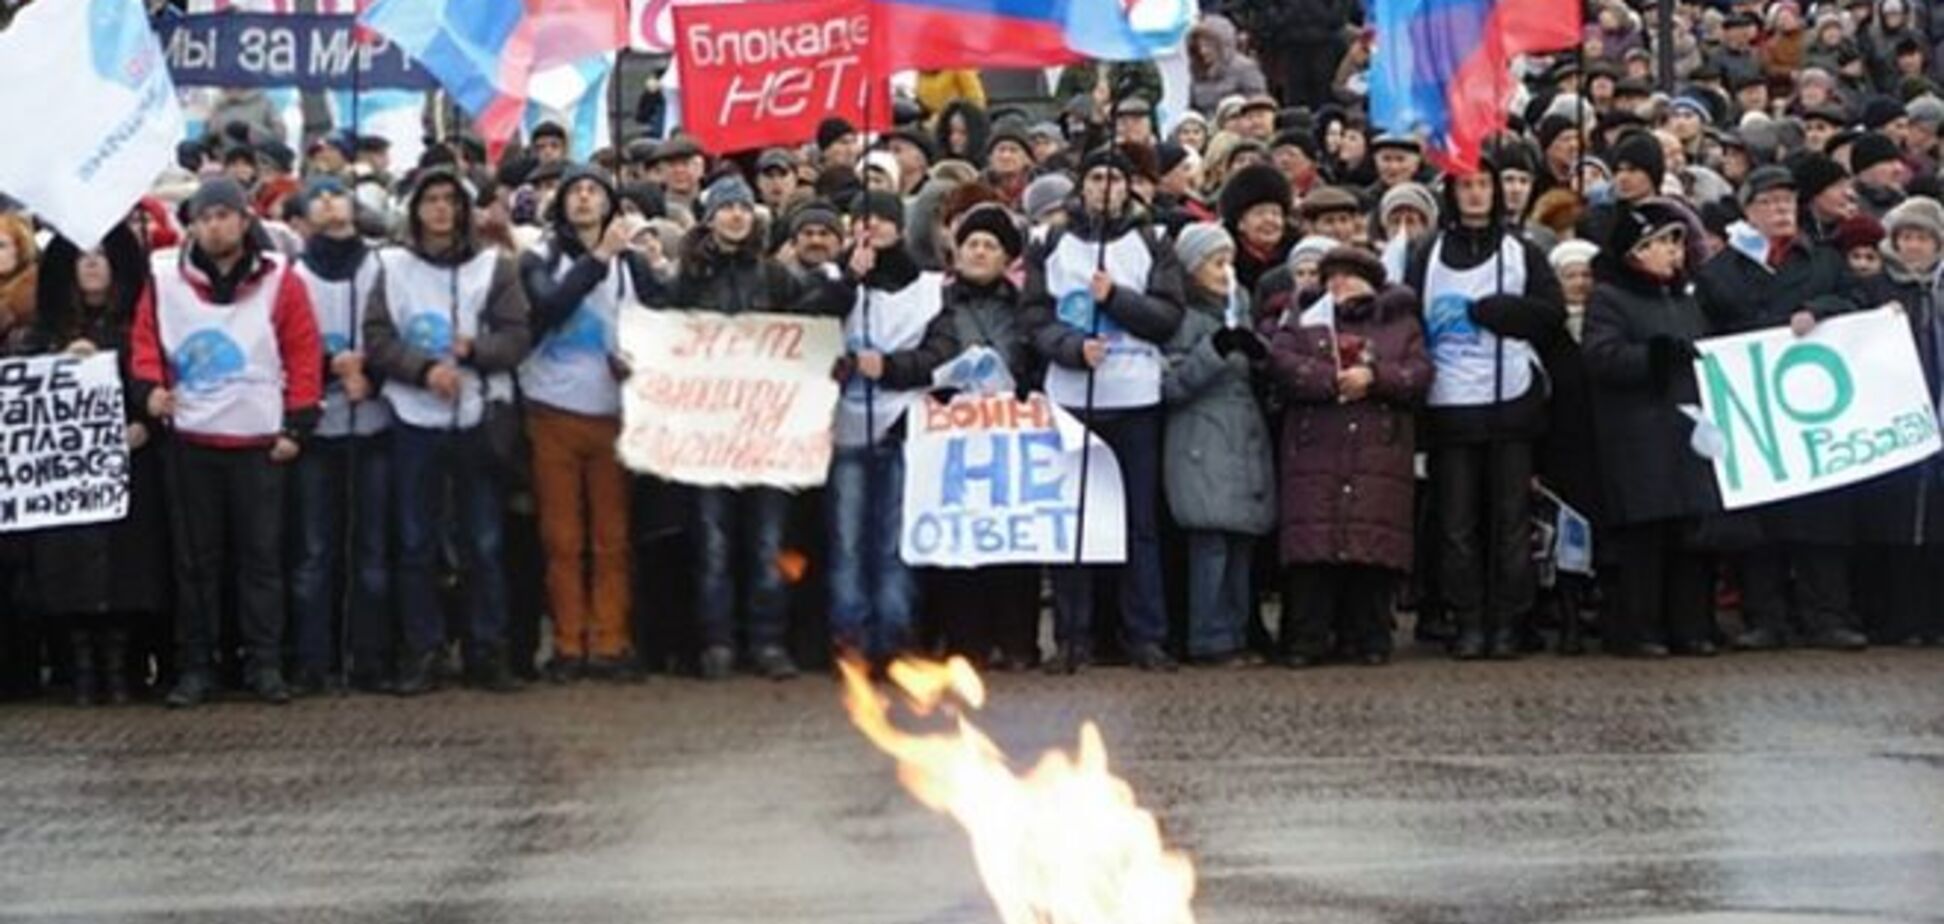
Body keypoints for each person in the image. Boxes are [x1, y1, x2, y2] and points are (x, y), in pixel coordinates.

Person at [130, 178, 325, 708]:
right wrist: (149, 391)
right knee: (196, 563)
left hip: (258, 442)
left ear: (244, 220)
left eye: (224, 215)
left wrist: (297, 426)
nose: (214, 225)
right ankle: (198, 664)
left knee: (262, 561)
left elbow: (302, 351)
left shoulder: (281, 279)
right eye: (204, 217)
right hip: (191, 439)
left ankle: (264, 662)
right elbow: (145, 344)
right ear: (192, 224)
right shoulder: (164, 276)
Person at [649, 175, 838, 680]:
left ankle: (767, 642)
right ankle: (717, 642)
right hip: (709, 435)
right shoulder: (684, 278)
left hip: (765, 435)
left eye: (742, 208)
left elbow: (811, 319)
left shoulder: (774, 277)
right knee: (712, 542)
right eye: (726, 208)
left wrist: (845, 282)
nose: (736, 216)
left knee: (767, 540)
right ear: (710, 217)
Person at [364, 168, 534, 695]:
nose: (439, 210)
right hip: (416, 418)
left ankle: (486, 648)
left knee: (482, 541)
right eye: (430, 200)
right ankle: (424, 648)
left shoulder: (495, 267)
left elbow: (517, 336)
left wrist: (474, 352)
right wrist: (422, 370)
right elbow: (377, 336)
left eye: (449, 201)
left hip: (477, 420)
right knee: (416, 541)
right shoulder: (390, 266)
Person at [1695, 165, 1869, 651]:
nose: (1780, 212)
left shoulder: (1824, 262)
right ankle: (1765, 617)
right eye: (1769, 204)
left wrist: (1821, 313)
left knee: (1822, 516)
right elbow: (1706, 333)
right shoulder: (1719, 271)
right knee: (1761, 525)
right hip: (1756, 416)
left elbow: (1858, 300)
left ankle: (1827, 615)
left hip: (1814, 412)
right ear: (1749, 212)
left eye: (1787, 203)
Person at [1026, 148, 1186, 672]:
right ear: (1081, 187)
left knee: (1139, 523)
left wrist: (1115, 298)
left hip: (1135, 397)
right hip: (1072, 399)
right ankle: (1074, 635)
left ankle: (1144, 635)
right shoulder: (1051, 242)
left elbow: (1167, 317)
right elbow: (1035, 316)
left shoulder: (1152, 241)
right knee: (1074, 520)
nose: (1104, 187)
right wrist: (1072, 348)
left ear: (1128, 188)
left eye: (1114, 179)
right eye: (1094, 178)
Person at [1405, 163, 1566, 660]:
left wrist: (1505, 313)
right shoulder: (1427, 252)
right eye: (1466, 187)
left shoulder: (1523, 252)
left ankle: (1508, 620)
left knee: (1510, 521)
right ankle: (1468, 617)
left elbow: (1551, 315)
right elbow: (1409, 316)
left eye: (1483, 186)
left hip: (1509, 402)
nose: (1475, 195)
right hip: (1450, 406)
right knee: (1456, 523)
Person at [519, 166, 655, 683]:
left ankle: (611, 639)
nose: (583, 199)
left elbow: (663, 320)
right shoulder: (542, 257)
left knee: (612, 536)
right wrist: (598, 259)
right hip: (551, 411)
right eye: (574, 191)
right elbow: (548, 307)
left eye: (594, 191)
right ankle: (570, 641)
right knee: (562, 536)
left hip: (614, 414)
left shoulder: (632, 265)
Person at [1269, 246, 1431, 666]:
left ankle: (1368, 637)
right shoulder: (1303, 316)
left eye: (1350, 276)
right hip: (1315, 447)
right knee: (1313, 548)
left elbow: (1419, 373)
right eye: (1332, 276)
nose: (1339, 284)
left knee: (1371, 546)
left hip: (1378, 449)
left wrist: (1375, 378)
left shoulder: (1400, 322)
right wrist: (1331, 381)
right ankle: (1306, 638)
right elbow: (1282, 362)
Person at [26, 228, 169, 705]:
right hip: (67, 479)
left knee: (130, 564)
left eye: (103, 257)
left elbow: (158, 381)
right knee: (67, 567)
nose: (92, 264)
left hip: (130, 466)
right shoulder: (40, 333)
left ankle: (122, 664)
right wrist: (61, 365)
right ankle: (82, 666)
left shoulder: (142, 328)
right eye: (83, 256)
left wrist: (144, 421)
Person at [1581, 201, 1723, 657]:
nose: (1672, 251)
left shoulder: (1686, 298)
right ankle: (1640, 628)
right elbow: (1601, 357)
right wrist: (1654, 357)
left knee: (1690, 537)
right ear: (1636, 252)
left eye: (1676, 242)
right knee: (1645, 542)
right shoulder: (1609, 298)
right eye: (1661, 243)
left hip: (1686, 433)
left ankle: (1692, 626)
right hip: (1637, 435)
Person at [828, 192, 956, 666]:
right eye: (863, 219)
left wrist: (890, 367)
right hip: (845, 429)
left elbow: (941, 355)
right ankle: (850, 638)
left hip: (902, 427)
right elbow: (812, 321)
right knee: (847, 541)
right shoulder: (834, 279)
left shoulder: (929, 288)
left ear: (899, 229)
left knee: (893, 540)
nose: (873, 228)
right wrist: (849, 278)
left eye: (882, 220)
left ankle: (894, 637)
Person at [288, 176, 394, 695]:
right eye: (318, 195)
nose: (330, 201)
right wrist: (333, 366)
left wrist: (369, 371)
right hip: (319, 430)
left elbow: (397, 334)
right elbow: (285, 344)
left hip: (371, 424)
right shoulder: (296, 275)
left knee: (371, 548)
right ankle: (314, 657)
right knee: (315, 550)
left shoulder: (381, 266)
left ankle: (368, 654)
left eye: (337, 193)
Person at [927, 205, 1043, 669]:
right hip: (953, 435)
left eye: (990, 245)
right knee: (961, 540)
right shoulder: (934, 303)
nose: (979, 251)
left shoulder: (1023, 308)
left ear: (1006, 258)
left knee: (1014, 541)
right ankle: (965, 642)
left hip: (1010, 434)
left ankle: (1018, 642)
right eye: (971, 243)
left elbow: (1037, 358)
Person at [1159, 224, 1277, 665]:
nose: (1225, 271)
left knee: (1241, 543)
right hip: (1201, 437)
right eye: (1216, 262)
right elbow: (1172, 384)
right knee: (1210, 545)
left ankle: (1237, 631)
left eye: (1229, 260)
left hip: (1242, 436)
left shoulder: (1240, 308)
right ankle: (1208, 636)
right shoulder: (1182, 318)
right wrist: (1215, 350)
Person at [1851, 196, 1944, 645]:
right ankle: (1895, 618)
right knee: (1894, 523)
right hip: (1893, 423)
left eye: (1922, 238)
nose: (1913, 247)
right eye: (1906, 237)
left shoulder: (1937, 293)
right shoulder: (1876, 290)